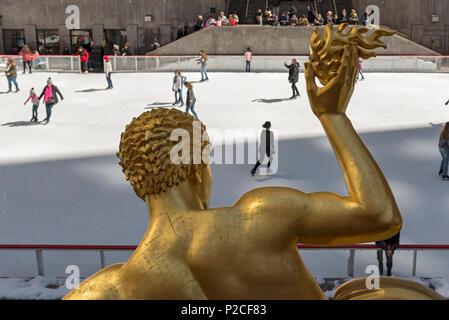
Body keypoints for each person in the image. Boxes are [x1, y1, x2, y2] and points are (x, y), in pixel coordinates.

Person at [64, 43, 404, 300]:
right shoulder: (260, 215)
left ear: (138, 183)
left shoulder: (111, 288)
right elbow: (379, 214)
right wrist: (333, 117)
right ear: (196, 169)